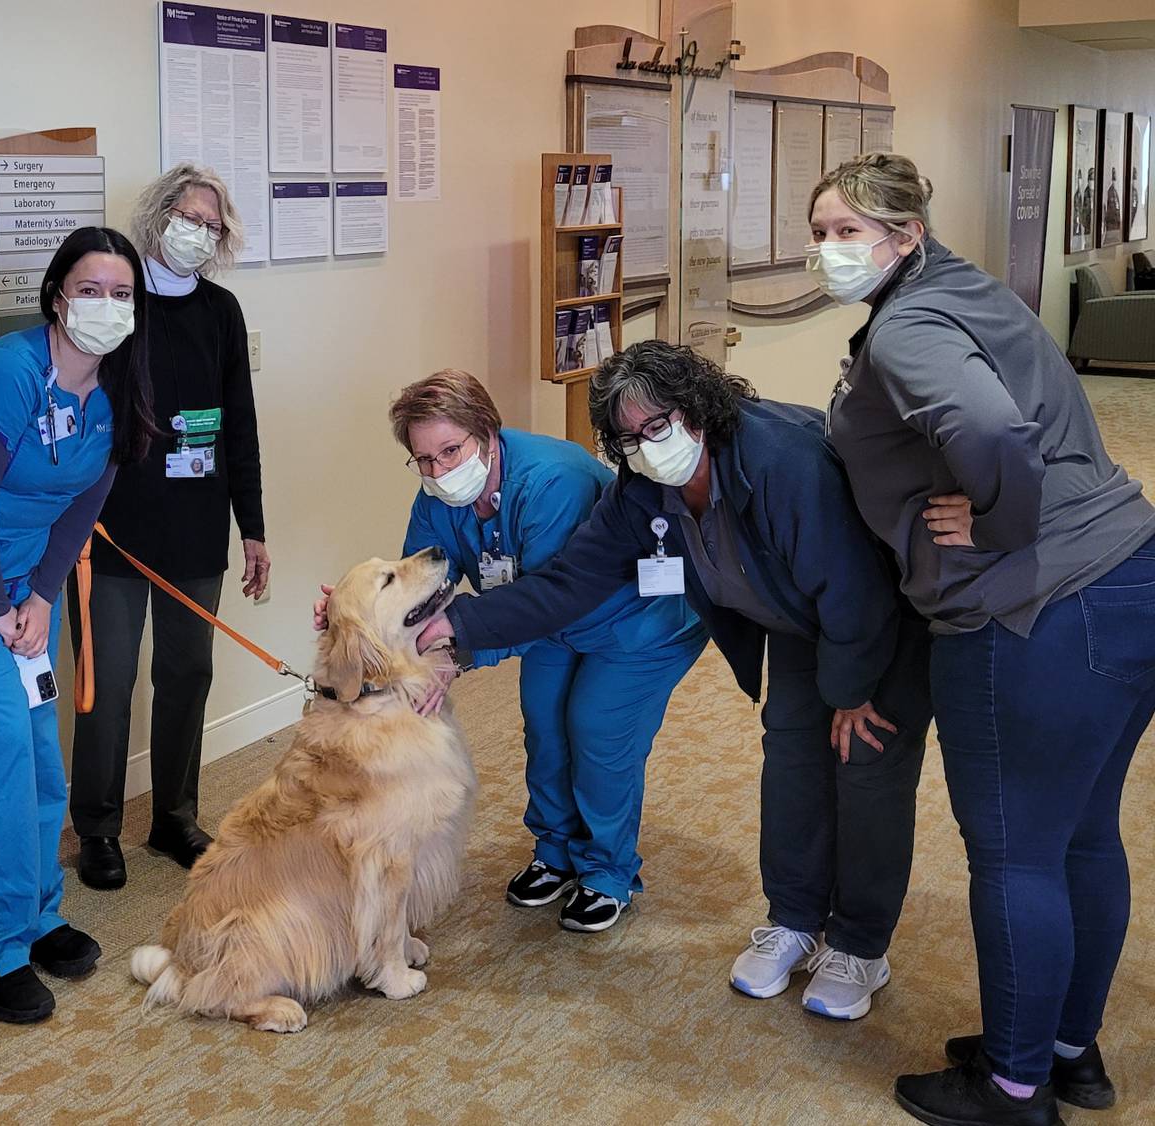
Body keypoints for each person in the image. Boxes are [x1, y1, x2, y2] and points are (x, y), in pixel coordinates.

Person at [416, 343, 932, 1014]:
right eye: (627, 437)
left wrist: (854, 691)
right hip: (800, 622)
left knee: (862, 771)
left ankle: (860, 947)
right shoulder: (642, 489)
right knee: (793, 766)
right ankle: (795, 920)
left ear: (697, 411)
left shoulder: (784, 461)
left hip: (880, 623)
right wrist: (460, 625)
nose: (644, 445)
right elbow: (569, 584)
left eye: (656, 425)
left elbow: (853, 584)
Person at [808, 152, 1155, 1126]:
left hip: (1033, 614)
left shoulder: (911, 324)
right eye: (820, 230)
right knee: (1082, 836)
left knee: (1015, 857)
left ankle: (1011, 1091)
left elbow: (989, 431)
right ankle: (1063, 1052)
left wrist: (1002, 525)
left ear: (905, 235)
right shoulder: (968, 290)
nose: (828, 250)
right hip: (1132, 573)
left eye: (848, 232)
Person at [317, 368, 708, 932]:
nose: (439, 471)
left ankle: (607, 871)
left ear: (486, 431)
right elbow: (418, 586)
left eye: (450, 451)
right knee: (544, 723)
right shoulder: (437, 498)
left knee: (595, 727)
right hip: (543, 620)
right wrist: (352, 617)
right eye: (423, 460)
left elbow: (551, 600)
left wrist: (456, 654)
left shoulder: (552, 482)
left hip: (635, 619)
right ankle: (555, 850)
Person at [0, 226, 159, 1024]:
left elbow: (84, 505)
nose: (107, 306)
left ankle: (36, 915)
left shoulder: (120, 384)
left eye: (122, 293)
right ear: (57, 294)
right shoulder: (9, 371)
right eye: (90, 290)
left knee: (38, 762)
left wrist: (44, 597)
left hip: (27, 592)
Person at [68, 164, 267, 890]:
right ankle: (97, 827)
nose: (198, 233)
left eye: (211, 224)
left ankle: (176, 817)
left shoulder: (221, 311)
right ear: (158, 216)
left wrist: (253, 526)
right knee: (106, 684)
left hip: (195, 527)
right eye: (188, 217)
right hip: (111, 532)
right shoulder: (117, 302)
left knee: (187, 674)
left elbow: (239, 421)